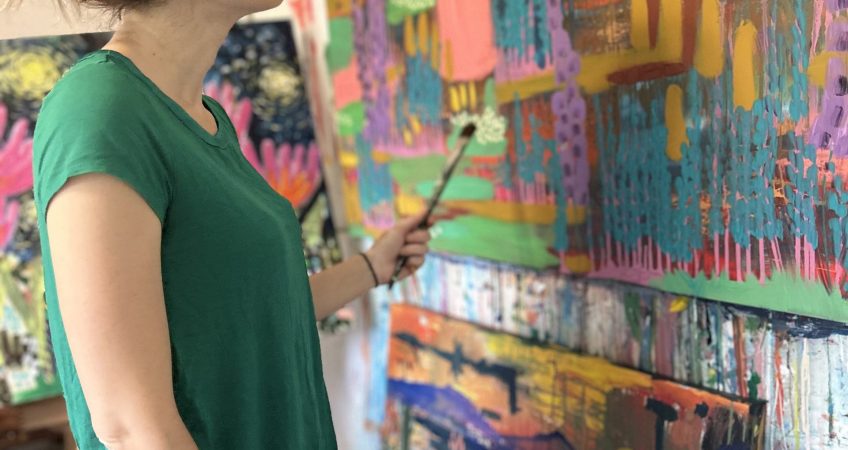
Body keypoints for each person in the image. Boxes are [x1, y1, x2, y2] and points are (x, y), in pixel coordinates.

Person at [30, 0, 431, 448]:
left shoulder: (205, 116)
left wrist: (372, 266)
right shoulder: (99, 108)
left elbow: (250, 313)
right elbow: (131, 428)